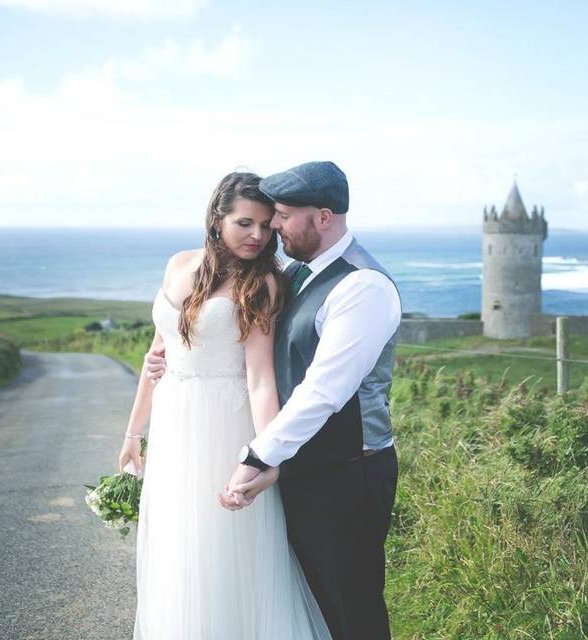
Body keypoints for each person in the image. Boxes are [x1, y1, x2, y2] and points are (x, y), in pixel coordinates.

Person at [147, 161, 402, 640]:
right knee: (309, 600)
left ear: (323, 218)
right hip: (302, 462)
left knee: (352, 605)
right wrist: (171, 351)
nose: (272, 228)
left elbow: (323, 390)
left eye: (281, 216)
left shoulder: (363, 286)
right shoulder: (298, 273)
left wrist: (260, 454)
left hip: (348, 468)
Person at [118, 171, 331, 640]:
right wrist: (135, 433)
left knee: (220, 547)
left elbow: (259, 379)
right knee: (179, 547)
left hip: (224, 426)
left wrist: (266, 454)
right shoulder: (178, 264)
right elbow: (157, 354)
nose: (257, 236)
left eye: (266, 225)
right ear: (217, 220)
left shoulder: (264, 284)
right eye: (244, 223)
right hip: (176, 423)